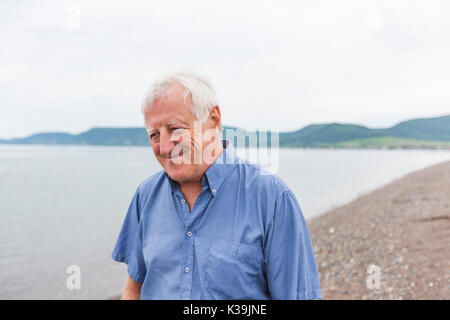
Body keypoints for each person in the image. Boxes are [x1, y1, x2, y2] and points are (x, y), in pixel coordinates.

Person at [111, 72, 322, 300]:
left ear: (213, 120)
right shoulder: (146, 195)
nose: (163, 147)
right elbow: (135, 286)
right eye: (154, 134)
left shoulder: (272, 198)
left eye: (175, 129)